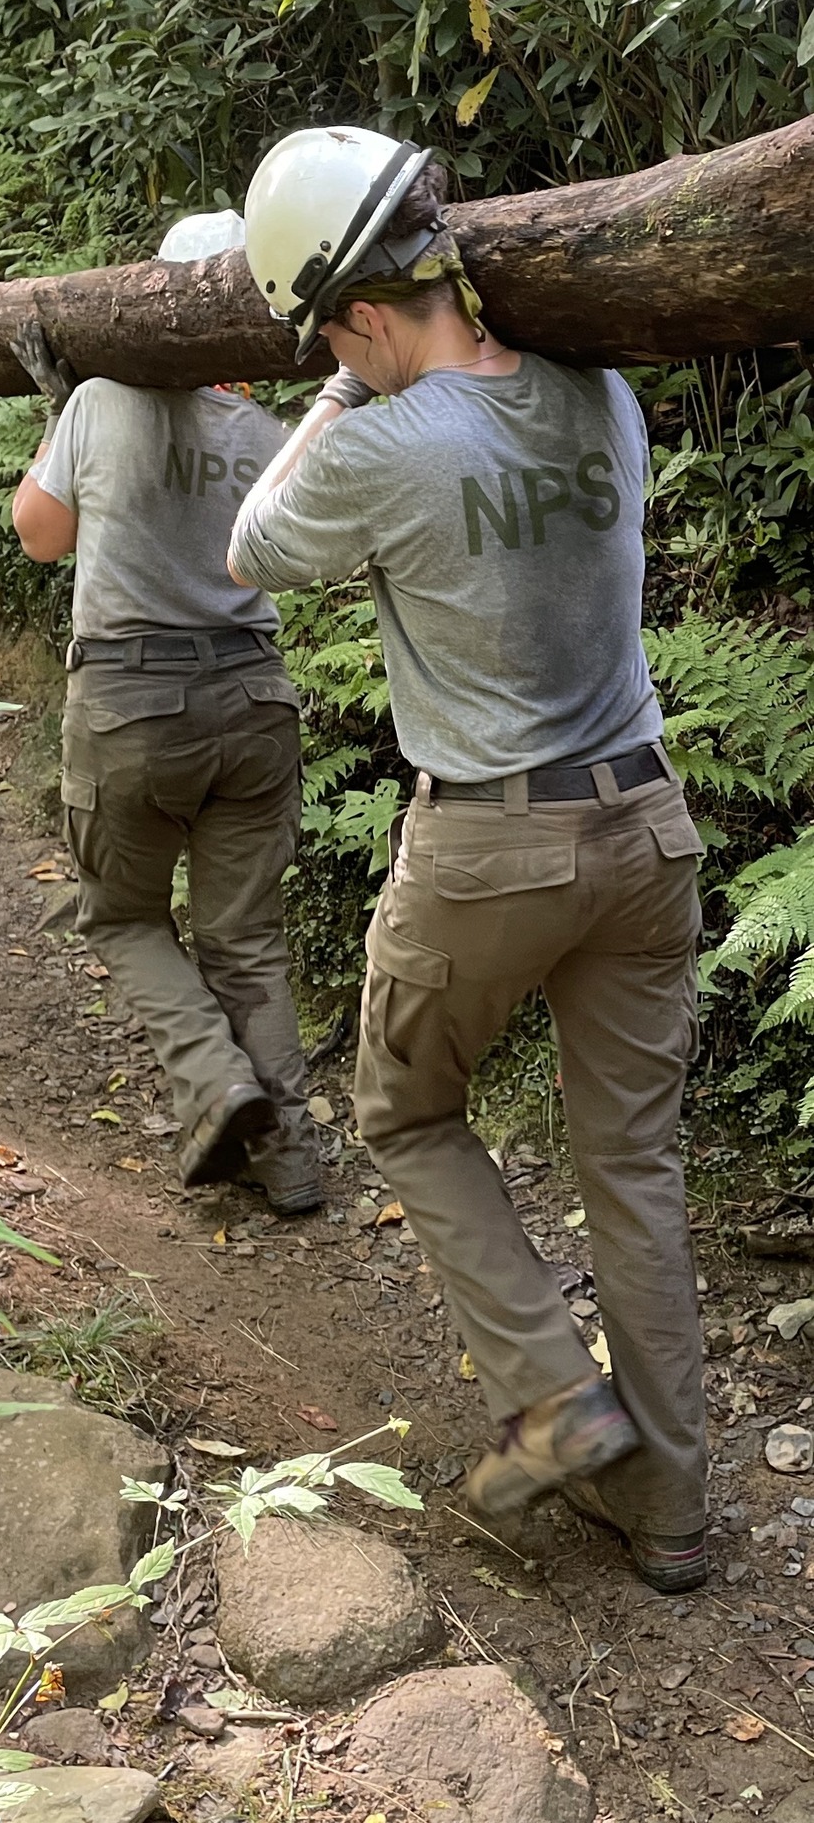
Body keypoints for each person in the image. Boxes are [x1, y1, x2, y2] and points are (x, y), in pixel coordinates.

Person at [227, 127, 707, 1592]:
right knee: (634, 1164)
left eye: (329, 329)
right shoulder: (602, 396)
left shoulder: (377, 439)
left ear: (363, 313)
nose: (334, 353)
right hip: (650, 825)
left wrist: (328, 390)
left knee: (408, 1116)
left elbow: (250, 544)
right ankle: (675, 1516)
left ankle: (565, 1408)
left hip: (491, 847)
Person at [8, 211, 324, 1216]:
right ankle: (291, 1157)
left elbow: (36, 536)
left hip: (130, 706)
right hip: (256, 700)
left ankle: (217, 1083)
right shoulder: (269, 433)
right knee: (244, 939)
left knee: (122, 911)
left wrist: (58, 414)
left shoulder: (101, 401)